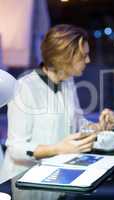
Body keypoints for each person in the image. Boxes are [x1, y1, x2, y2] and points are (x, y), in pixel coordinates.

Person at [0, 24, 103, 182]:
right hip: (24, 180)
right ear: (64, 58)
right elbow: (16, 148)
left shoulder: (67, 81)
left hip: (57, 174)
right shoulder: (24, 88)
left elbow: (76, 121)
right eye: (83, 56)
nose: (88, 60)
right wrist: (58, 149)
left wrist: (96, 127)